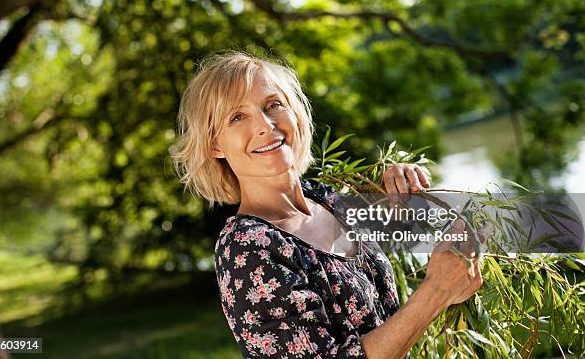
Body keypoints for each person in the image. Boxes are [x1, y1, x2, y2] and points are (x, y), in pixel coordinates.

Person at [173, 52, 483, 358]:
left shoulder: (327, 198)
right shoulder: (247, 250)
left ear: (295, 112)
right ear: (214, 144)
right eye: (237, 117)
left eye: (273, 105)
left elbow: (428, 243)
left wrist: (408, 190)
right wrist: (436, 293)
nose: (265, 125)